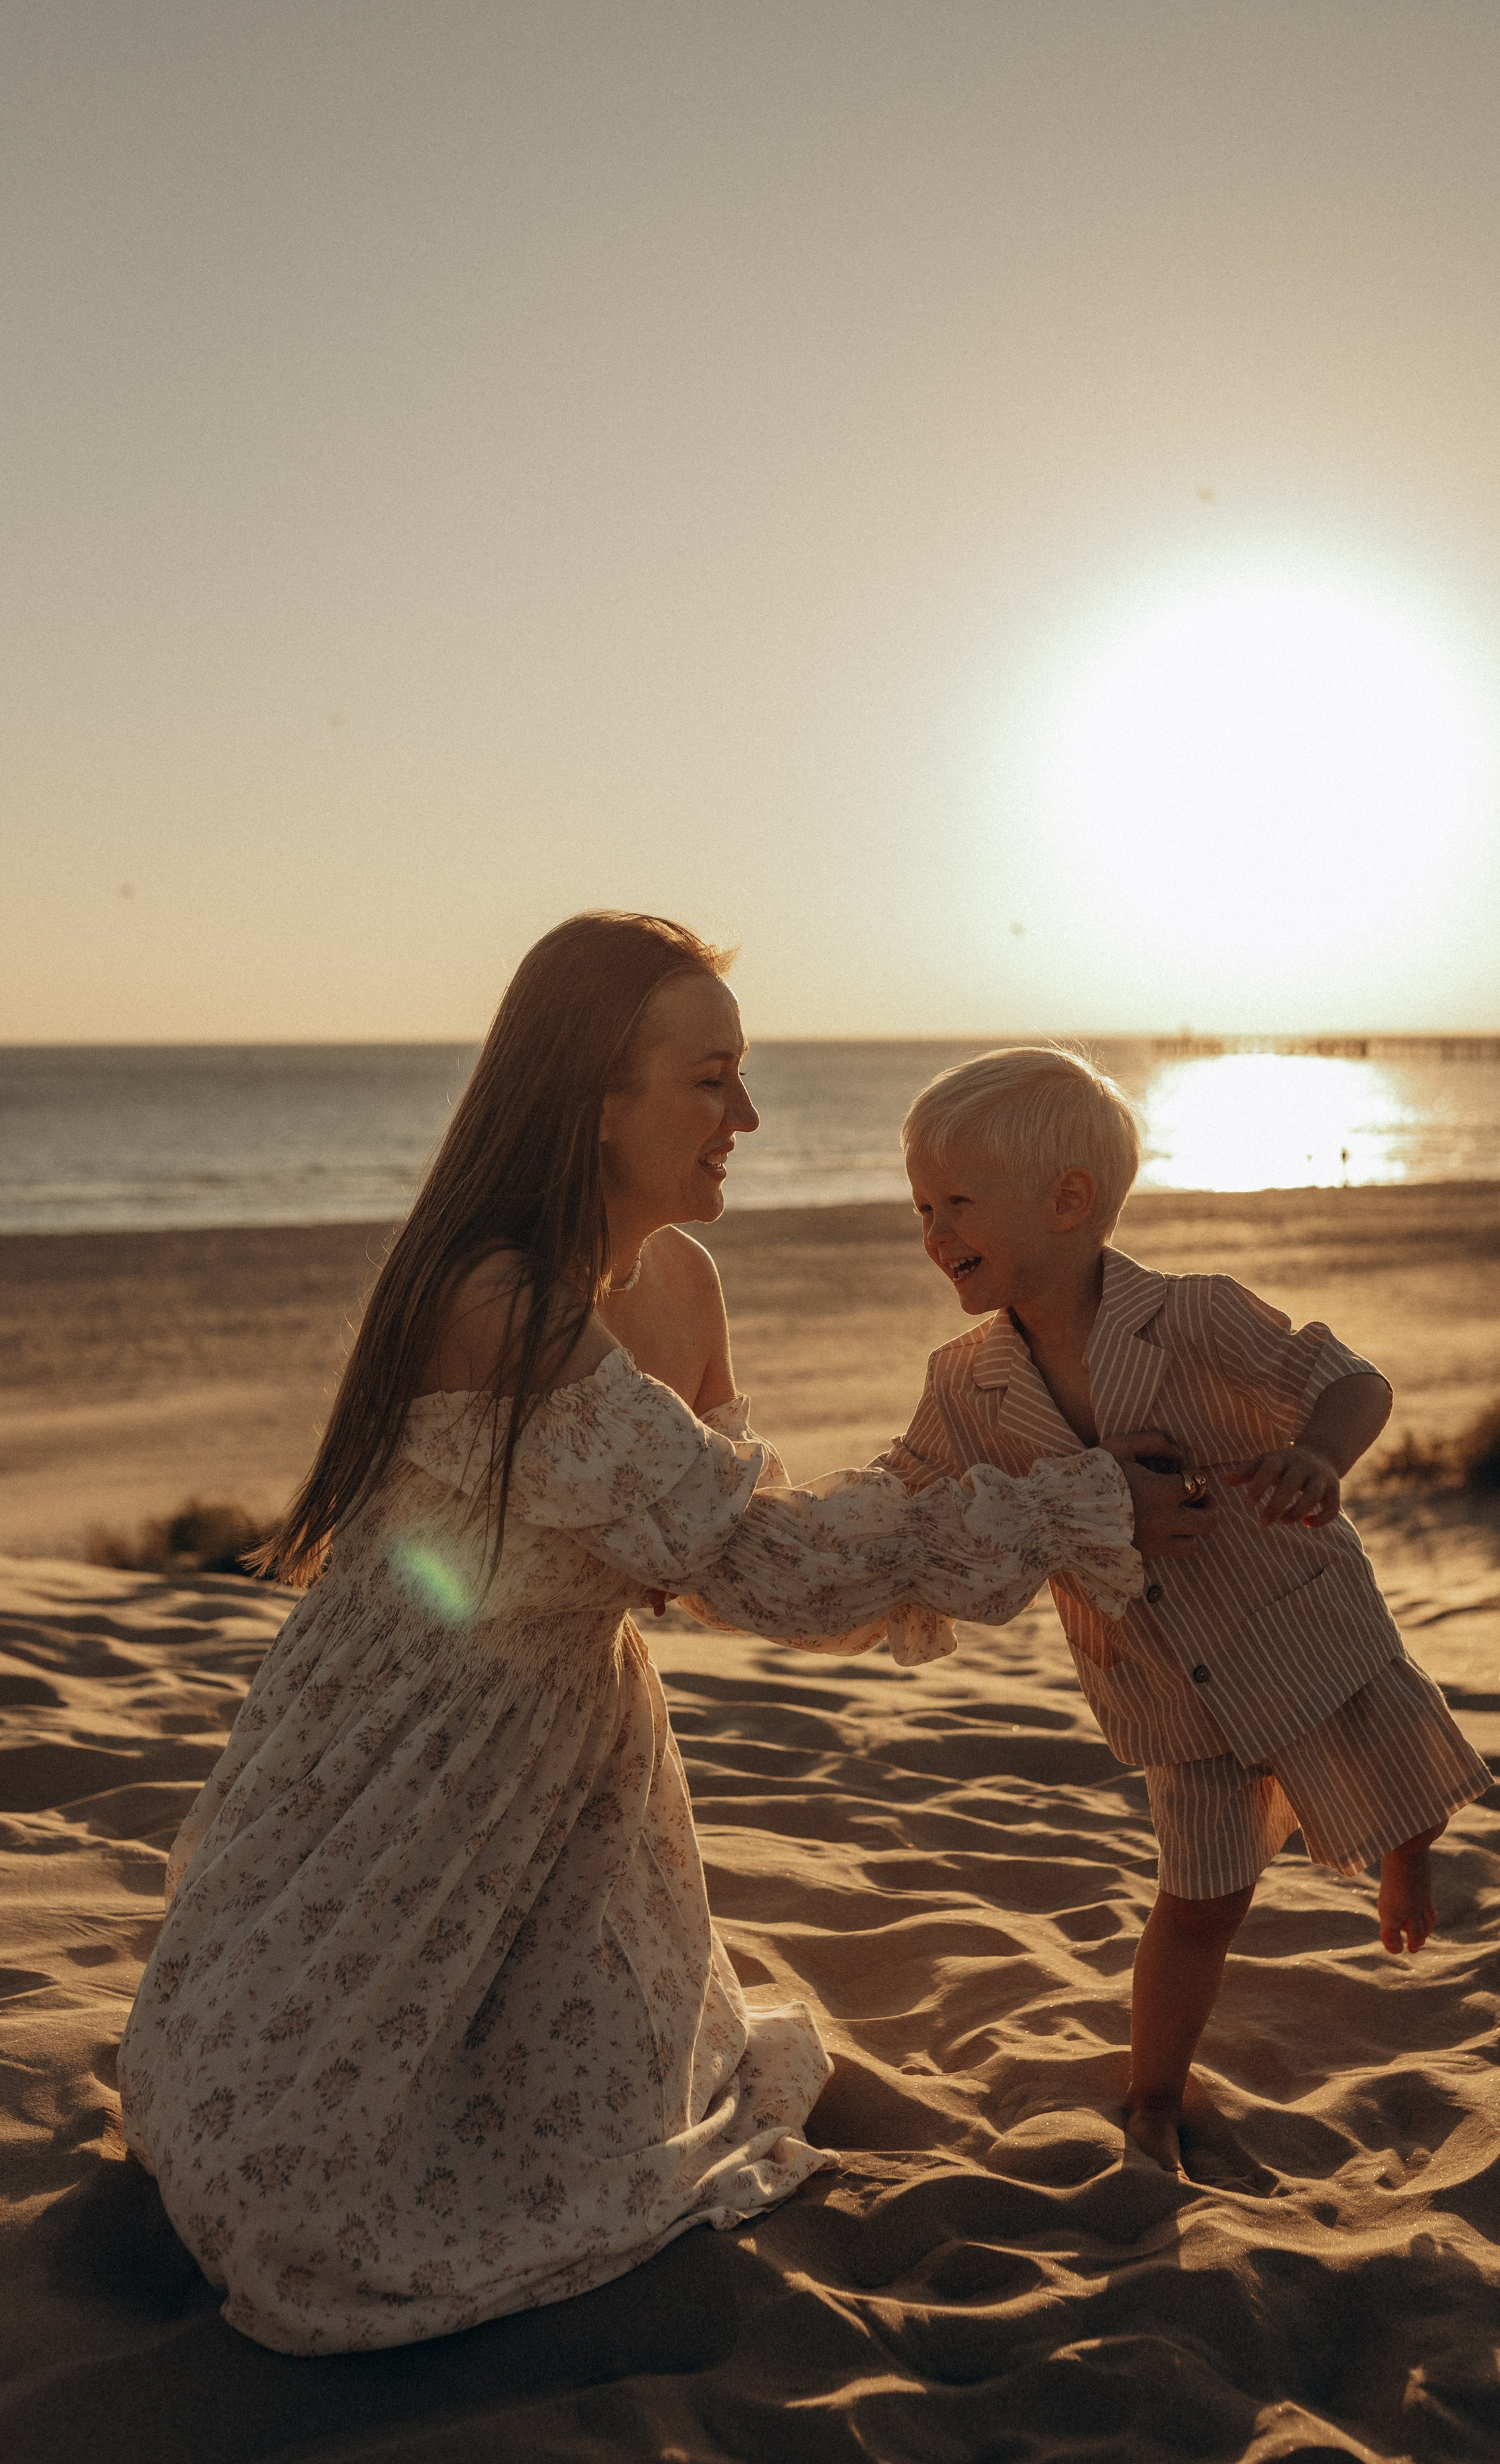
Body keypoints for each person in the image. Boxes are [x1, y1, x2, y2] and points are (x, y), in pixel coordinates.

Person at [116, 915, 1161, 2354]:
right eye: (709, 1080)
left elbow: (748, 1539)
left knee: (611, 2119)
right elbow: (765, 1572)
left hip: (571, 1749)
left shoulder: (684, 1286)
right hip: (398, 1747)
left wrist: (986, 1476)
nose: (745, 1117)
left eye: (741, 1081)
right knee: (296, 2199)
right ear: (592, 1105)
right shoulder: (493, 1301)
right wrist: (1056, 1507)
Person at [879, 1044, 1491, 2178]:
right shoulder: (965, 1383)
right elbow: (906, 1492)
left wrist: (1319, 1455)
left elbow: (1348, 1376)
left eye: (957, 1203)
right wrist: (768, 1521)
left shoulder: (1198, 1317)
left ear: (1068, 1201)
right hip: (1167, 1688)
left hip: (1298, 1627)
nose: (932, 1232)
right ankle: (1154, 2094)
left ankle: (1408, 1850)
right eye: (922, 1206)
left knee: (1400, 1767)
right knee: (1197, 1904)